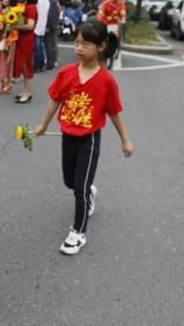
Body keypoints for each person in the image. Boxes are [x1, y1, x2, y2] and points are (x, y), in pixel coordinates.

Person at [34, 18, 134, 255]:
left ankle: (78, 233)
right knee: (70, 182)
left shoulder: (107, 80)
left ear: (100, 47)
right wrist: (42, 125)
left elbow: (114, 112)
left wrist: (125, 140)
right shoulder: (67, 72)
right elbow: (54, 100)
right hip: (67, 136)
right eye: (77, 43)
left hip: (88, 139)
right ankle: (89, 192)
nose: (79, 48)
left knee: (79, 188)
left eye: (85, 44)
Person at [13, 0, 38, 104]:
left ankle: (28, 93)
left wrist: (16, 26)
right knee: (23, 66)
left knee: (27, 66)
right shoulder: (26, 6)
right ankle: (24, 90)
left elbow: (30, 25)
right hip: (23, 39)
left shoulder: (31, 7)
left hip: (27, 39)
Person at [0, 0, 20, 93]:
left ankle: (8, 82)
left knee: (8, 61)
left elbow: (14, 27)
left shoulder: (15, 12)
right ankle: (1, 81)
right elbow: (0, 23)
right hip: (3, 37)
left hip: (10, 38)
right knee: (1, 60)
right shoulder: (4, 11)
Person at [34, 0, 50, 73]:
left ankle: (36, 66)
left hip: (36, 25)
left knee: (36, 47)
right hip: (42, 25)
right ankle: (41, 65)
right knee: (40, 46)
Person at [43, 0, 60, 70]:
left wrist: (47, 25)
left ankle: (50, 62)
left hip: (50, 24)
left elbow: (48, 13)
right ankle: (53, 60)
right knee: (53, 42)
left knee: (48, 43)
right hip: (55, 23)